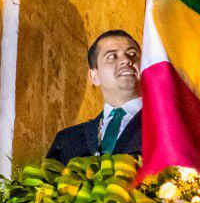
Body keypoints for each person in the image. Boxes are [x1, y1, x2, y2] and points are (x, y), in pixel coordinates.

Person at [47, 29, 144, 161]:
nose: (126, 60)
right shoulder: (68, 141)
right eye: (112, 56)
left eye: (132, 54)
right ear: (94, 76)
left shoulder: (168, 128)